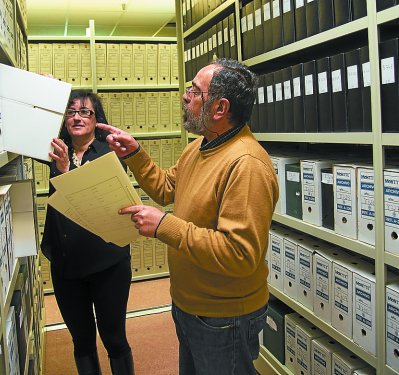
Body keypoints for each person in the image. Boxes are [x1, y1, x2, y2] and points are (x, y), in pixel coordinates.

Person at [98, 58, 279, 375]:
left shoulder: (247, 164)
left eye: (194, 91)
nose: (185, 96)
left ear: (219, 108)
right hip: (191, 305)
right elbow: (168, 188)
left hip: (223, 317)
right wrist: (135, 154)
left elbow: (240, 254)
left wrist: (164, 226)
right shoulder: (200, 147)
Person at [41, 90, 134, 375]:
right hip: (65, 262)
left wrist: (66, 170)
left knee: (114, 337)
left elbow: (88, 201)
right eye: (71, 112)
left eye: (85, 112)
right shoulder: (55, 148)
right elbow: (34, 120)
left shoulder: (110, 152)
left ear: (96, 120)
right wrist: (46, 93)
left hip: (108, 261)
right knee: (81, 340)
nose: (77, 117)